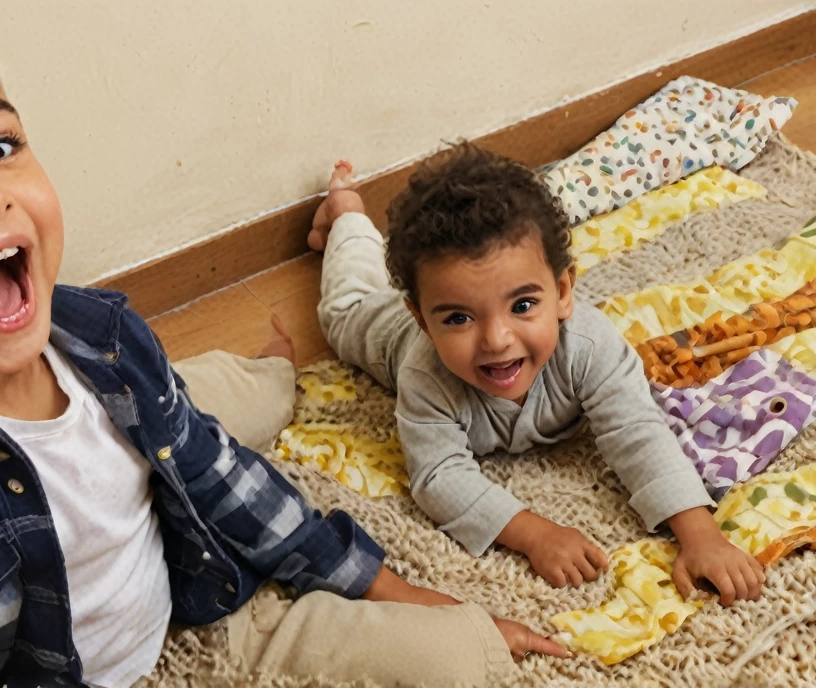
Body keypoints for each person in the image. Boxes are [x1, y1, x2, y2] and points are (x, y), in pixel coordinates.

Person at [0, 2, 564, 686]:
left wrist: (383, 583)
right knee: (456, 655)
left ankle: (265, 369)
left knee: (229, 414)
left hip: (180, 565)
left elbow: (221, 479)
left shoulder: (100, 337)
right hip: (63, 649)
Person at [309, 151, 765, 604]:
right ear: (423, 322)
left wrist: (699, 533)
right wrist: (534, 534)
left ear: (563, 292)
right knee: (346, 304)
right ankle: (346, 214)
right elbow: (438, 475)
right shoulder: (425, 374)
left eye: (523, 305)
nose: (496, 339)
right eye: (458, 319)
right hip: (377, 325)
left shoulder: (587, 345)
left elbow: (637, 429)